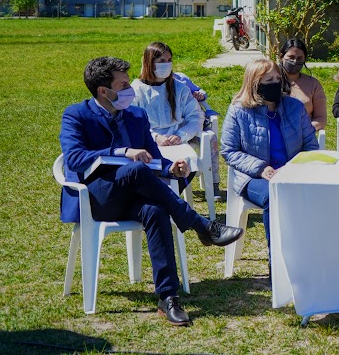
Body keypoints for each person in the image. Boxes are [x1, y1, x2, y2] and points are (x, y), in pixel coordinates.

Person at [59, 57, 243, 326]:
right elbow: (75, 159)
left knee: (156, 210)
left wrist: (171, 169)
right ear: (103, 91)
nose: (129, 90)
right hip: (96, 199)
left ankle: (168, 297)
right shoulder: (76, 114)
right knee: (135, 169)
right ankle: (201, 225)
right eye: (123, 85)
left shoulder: (136, 115)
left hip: (134, 196)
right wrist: (122, 152)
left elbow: (154, 158)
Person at [220, 58, 320, 259]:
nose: (275, 83)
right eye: (268, 80)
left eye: (277, 78)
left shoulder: (295, 107)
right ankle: (277, 261)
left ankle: (311, 256)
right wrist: (261, 168)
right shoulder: (239, 110)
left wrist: (293, 168)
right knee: (273, 196)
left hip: (292, 172)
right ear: (254, 83)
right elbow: (229, 150)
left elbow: (311, 144)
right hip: (254, 177)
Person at [132, 42, 221, 200]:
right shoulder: (137, 90)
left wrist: (181, 135)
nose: (166, 64)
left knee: (189, 163)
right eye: (161, 61)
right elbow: (133, 122)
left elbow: (195, 116)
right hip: (148, 142)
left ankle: (167, 199)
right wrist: (155, 137)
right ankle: (165, 200)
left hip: (177, 141)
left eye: (169, 60)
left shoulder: (179, 88)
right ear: (149, 62)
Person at [279, 38, 328, 131]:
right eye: (291, 57)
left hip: (304, 135)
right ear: (281, 56)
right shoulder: (271, 81)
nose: (295, 61)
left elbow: (321, 119)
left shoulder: (313, 84)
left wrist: (303, 131)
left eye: (299, 58)